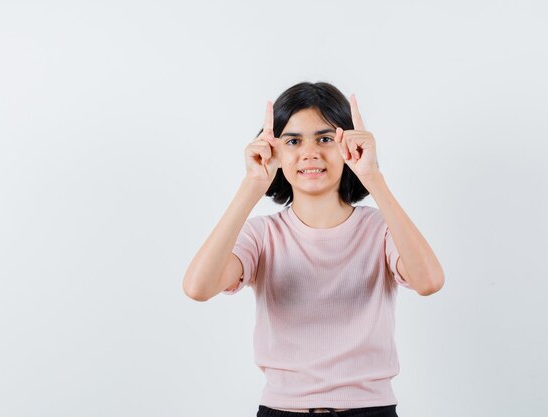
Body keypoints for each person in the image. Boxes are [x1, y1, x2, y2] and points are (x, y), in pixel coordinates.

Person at [182, 81, 445, 417]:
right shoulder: (263, 235)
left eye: (324, 139)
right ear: (276, 149)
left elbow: (429, 282)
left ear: (348, 144)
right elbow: (198, 287)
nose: (310, 153)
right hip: (281, 410)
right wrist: (251, 186)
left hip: (370, 409)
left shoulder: (380, 229)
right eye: (293, 141)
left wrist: (373, 177)